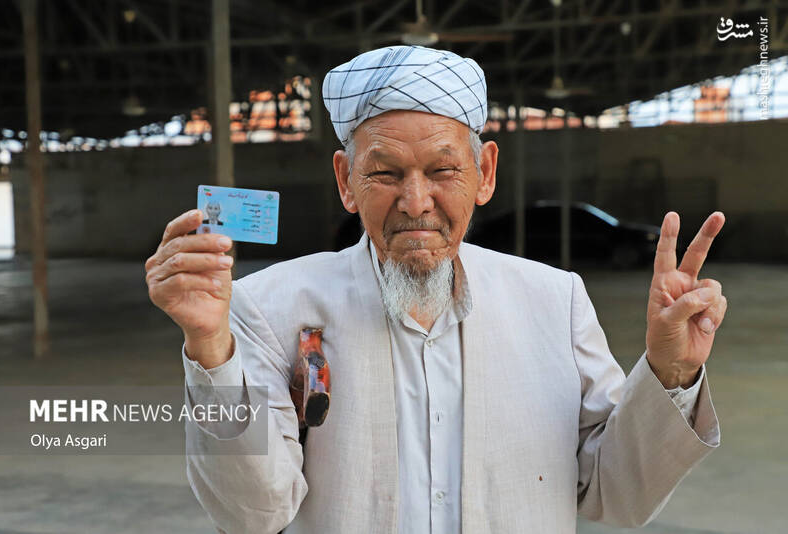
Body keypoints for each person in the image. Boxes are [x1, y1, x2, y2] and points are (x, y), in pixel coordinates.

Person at [145, 46, 727, 534]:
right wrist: (211, 348)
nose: (416, 202)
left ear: (486, 174)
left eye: (443, 171)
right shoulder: (270, 305)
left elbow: (614, 492)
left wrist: (670, 372)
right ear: (347, 182)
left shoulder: (555, 301)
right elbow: (253, 513)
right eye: (386, 173)